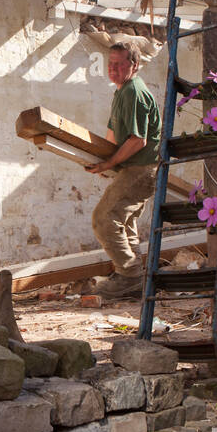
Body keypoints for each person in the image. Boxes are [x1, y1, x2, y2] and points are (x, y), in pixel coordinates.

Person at [85, 40, 162, 299]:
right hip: (136, 167)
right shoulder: (122, 91)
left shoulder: (133, 91)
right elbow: (113, 135)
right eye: (111, 64)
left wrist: (108, 163)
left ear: (135, 64)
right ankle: (133, 279)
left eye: (120, 64)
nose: (113, 69)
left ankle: (129, 277)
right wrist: (100, 156)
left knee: (104, 219)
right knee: (124, 221)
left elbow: (137, 140)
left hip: (141, 168)